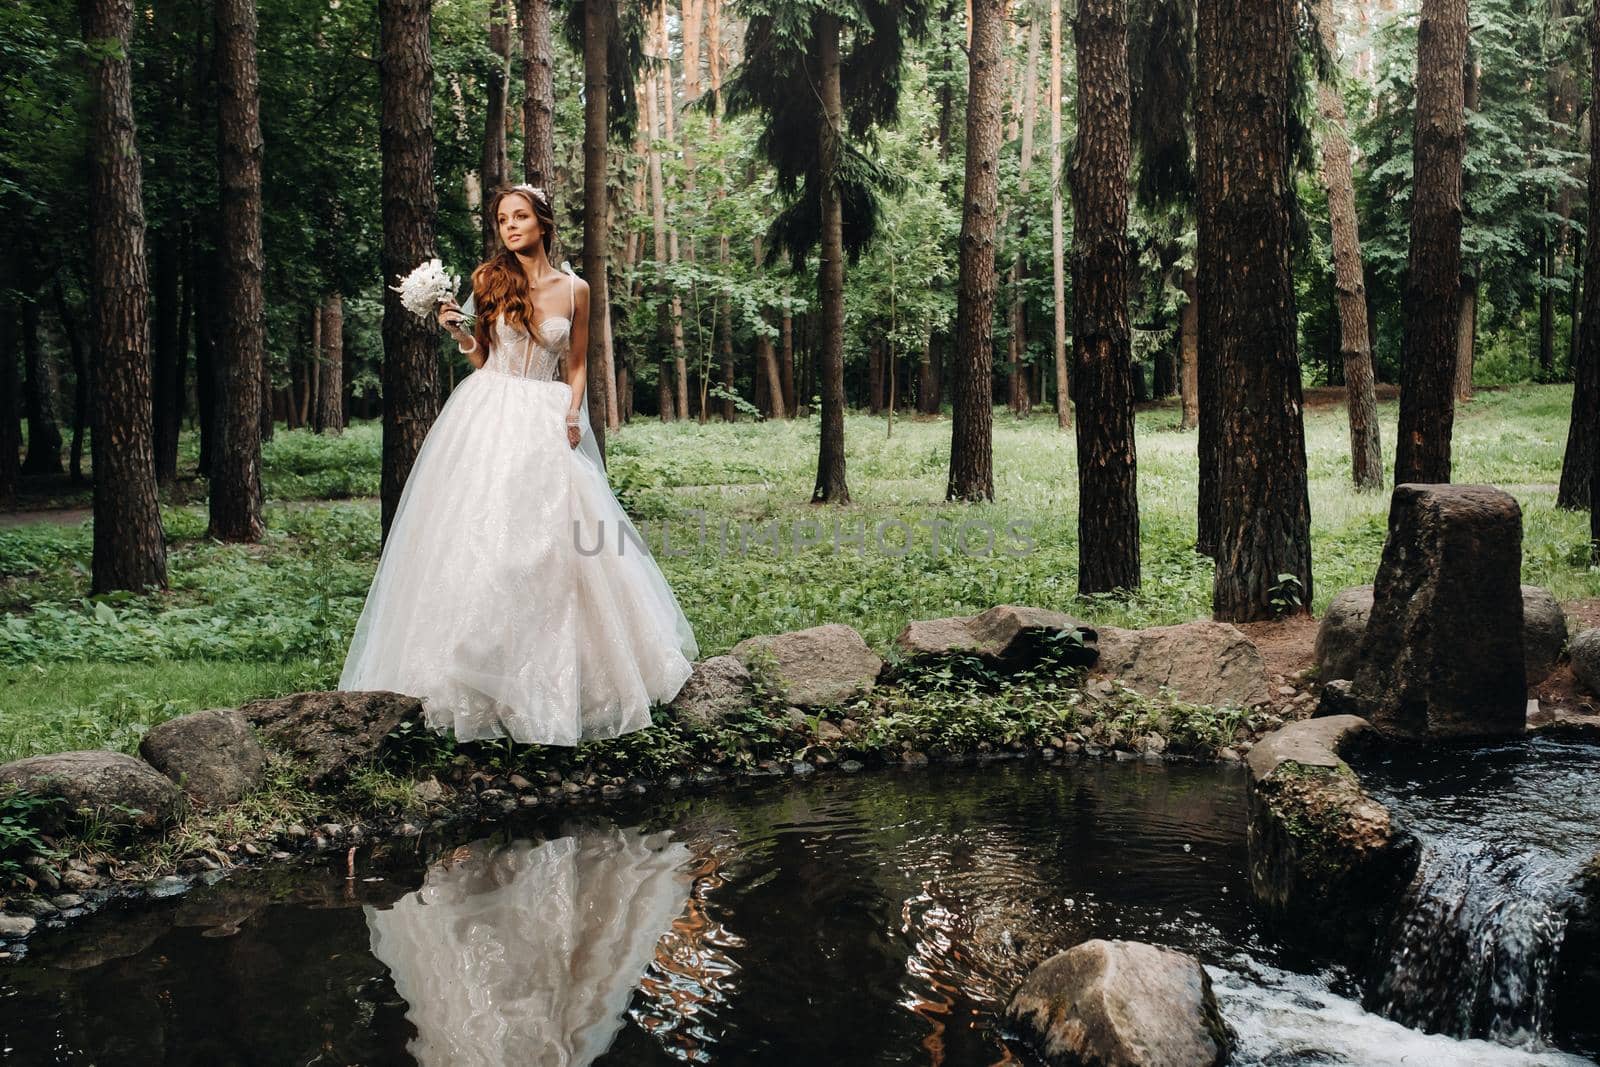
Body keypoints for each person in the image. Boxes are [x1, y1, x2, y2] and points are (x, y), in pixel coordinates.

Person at [339, 182, 698, 746]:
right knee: (484, 537)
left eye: (520, 216)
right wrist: (458, 331)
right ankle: (472, 680)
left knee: (555, 544)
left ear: (542, 224)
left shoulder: (575, 290)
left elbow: (576, 363)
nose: (510, 226)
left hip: (546, 411)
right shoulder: (489, 280)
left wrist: (574, 411)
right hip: (489, 407)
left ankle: (563, 687)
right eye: (503, 218)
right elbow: (484, 355)